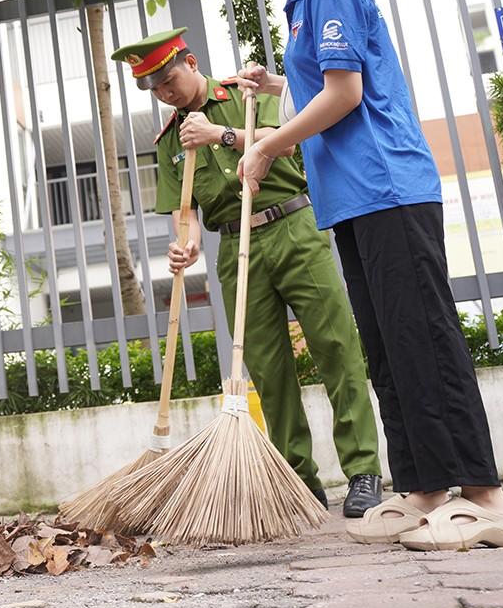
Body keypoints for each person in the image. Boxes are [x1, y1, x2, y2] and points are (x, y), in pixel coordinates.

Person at [225, 0, 503, 550]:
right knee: (389, 348)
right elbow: (325, 84)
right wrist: (278, 87)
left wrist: (266, 145)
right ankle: (423, 485)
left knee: (423, 337)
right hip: (353, 197)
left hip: (388, 186)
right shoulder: (303, 5)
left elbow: (346, 93)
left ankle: (485, 495)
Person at [112, 29, 383, 518]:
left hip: (293, 224)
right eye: (154, 89)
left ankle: (363, 471)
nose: (165, 93)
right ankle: (300, 482)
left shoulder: (245, 94)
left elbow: (293, 132)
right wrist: (187, 243)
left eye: (168, 79)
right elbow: (185, 209)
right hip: (236, 246)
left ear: (190, 62)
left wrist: (221, 135)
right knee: (267, 369)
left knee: (337, 347)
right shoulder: (171, 139)